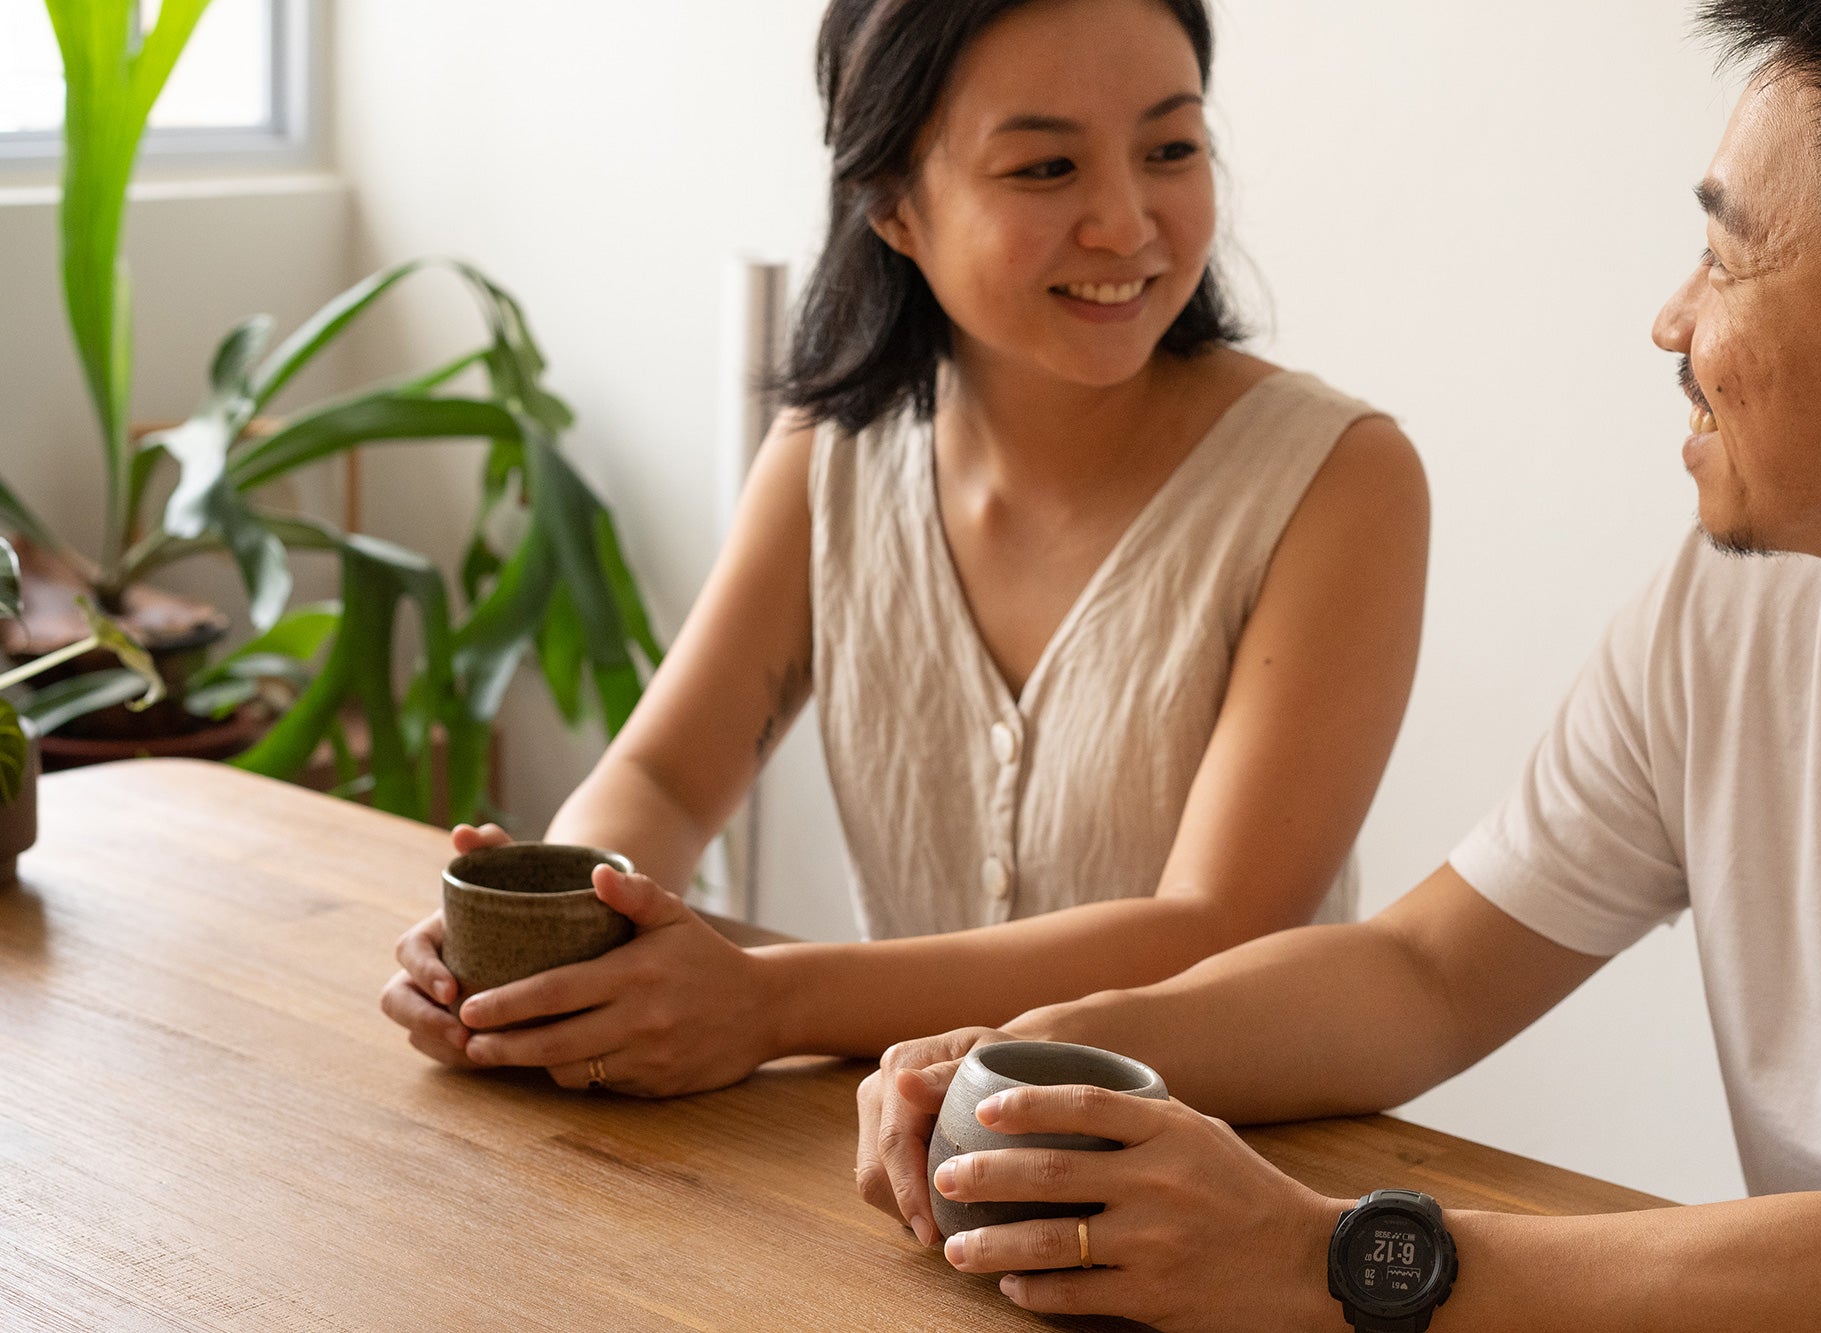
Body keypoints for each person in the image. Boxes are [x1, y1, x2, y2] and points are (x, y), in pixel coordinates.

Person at [855, 1, 1821, 1327]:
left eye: (1723, 259)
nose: (1671, 322)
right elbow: (1427, 973)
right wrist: (1039, 1063)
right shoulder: (1734, 609)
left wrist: (1323, 1258)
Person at [378, 0, 1428, 1101]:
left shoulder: (1338, 478)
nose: (1126, 221)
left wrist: (768, 1001)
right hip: (907, 1165)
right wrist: (561, 940)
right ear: (890, 206)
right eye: (1042, 167)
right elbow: (663, 778)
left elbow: (1217, 934)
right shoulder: (830, 454)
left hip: (1229, 1175)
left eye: (1170, 148)